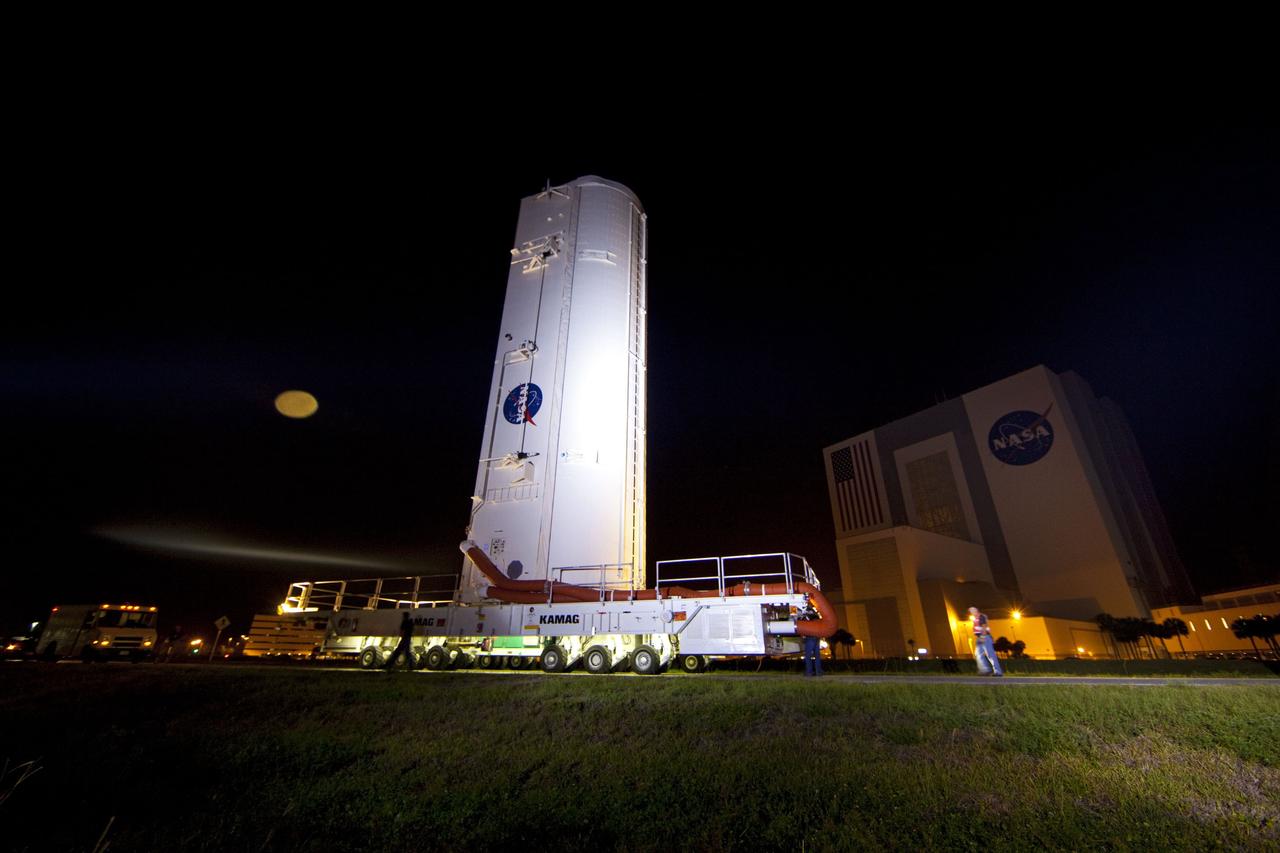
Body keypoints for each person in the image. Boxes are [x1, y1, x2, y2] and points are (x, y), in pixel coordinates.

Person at [968, 606, 1003, 677]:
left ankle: (998, 672)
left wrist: (983, 636)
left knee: (990, 655)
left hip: (985, 637)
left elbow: (984, 626)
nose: (972, 613)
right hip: (980, 637)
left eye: (972, 611)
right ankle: (985, 670)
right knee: (978, 654)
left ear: (976, 610)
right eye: (971, 612)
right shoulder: (976, 618)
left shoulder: (981, 617)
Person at [801, 598, 824, 677]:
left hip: (810, 636)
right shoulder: (815, 613)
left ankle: (809, 672)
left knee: (808, 655)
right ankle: (818, 672)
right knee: (817, 655)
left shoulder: (805, 613)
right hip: (817, 636)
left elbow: (803, 623)